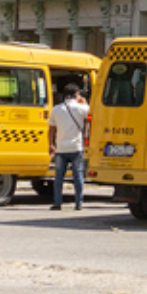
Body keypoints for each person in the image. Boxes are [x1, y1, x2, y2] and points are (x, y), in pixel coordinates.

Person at [48, 83, 89, 211]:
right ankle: (79, 203)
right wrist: (85, 102)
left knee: (59, 177)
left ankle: (57, 203)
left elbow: (51, 130)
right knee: (78, 176)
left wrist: (51, 144)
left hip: (61, 148)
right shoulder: (82, 108)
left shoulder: (56, 109)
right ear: (76, 95)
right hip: (76, 147)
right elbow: (92, 115)